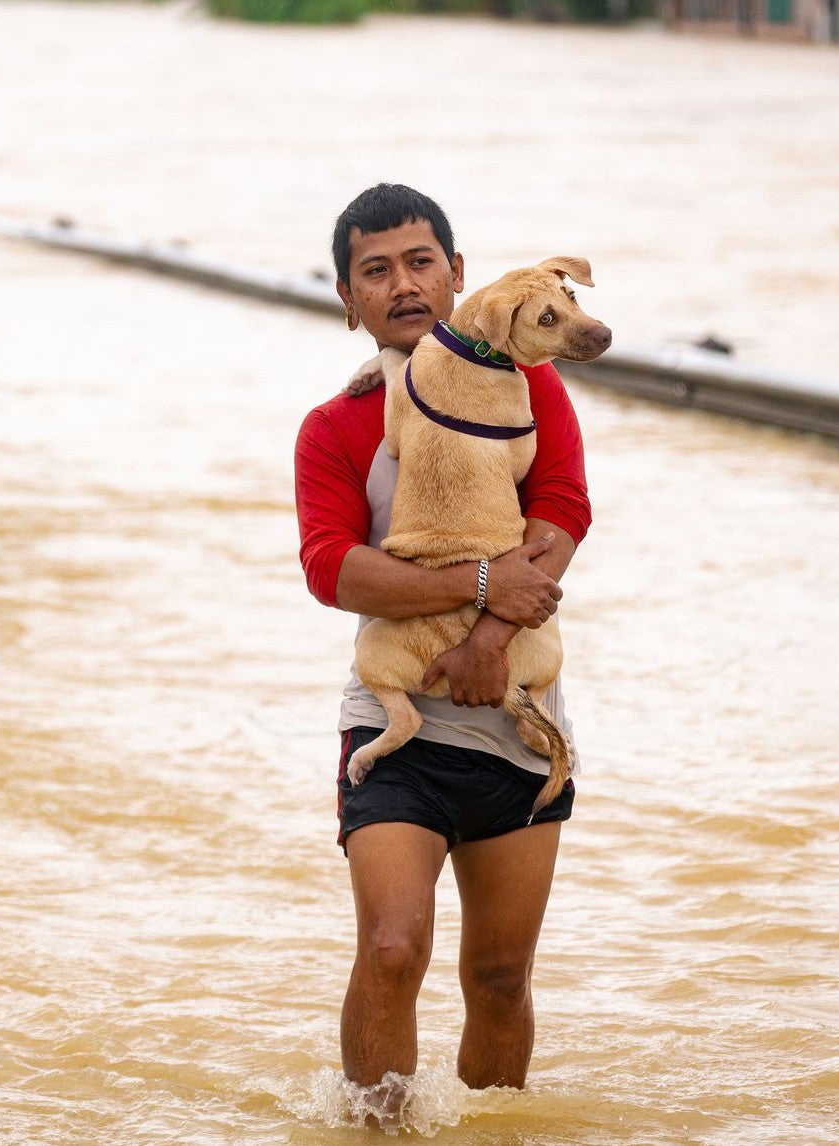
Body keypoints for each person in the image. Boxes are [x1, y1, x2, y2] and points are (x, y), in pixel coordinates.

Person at [293, 184, 591, 1119]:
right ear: (348, 299)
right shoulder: (335, 426)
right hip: (397, 723)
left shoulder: (532, 387)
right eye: (376, 271)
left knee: (500, 977)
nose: (404, 284)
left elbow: (563, 513)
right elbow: (333, 569)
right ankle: (375, 1134)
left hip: (514, 721)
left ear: (459, 275)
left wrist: (491, 639)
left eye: (421, 262)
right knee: (392, 949)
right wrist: (480, 585)